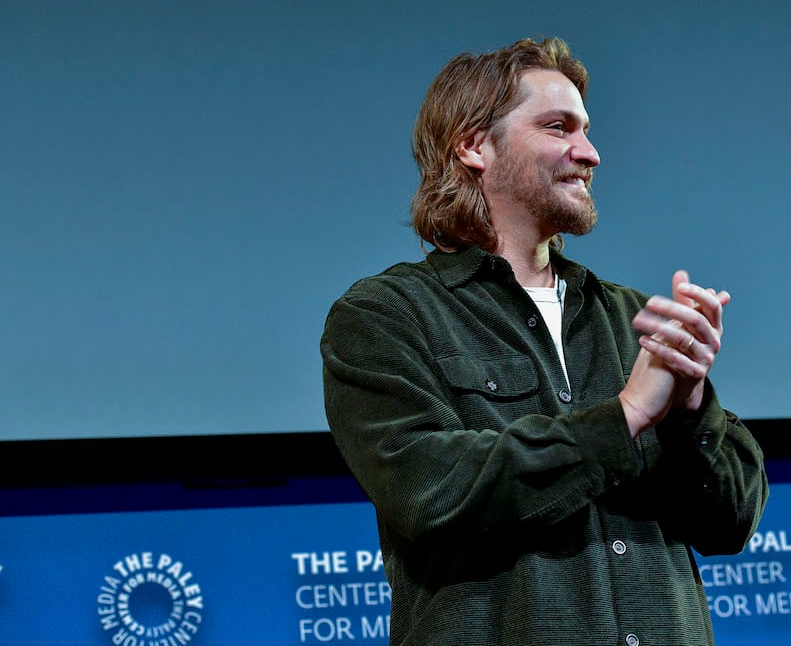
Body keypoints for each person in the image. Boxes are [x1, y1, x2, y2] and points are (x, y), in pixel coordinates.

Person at [321, 37, 768, 646]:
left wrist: (691, 410)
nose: (590, 153)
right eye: (559, 128)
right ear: (475, 145)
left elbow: (732, 523)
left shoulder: (633, 318)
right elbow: (431, 492)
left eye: (586, 130)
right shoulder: (386, 316)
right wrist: (627, 417)